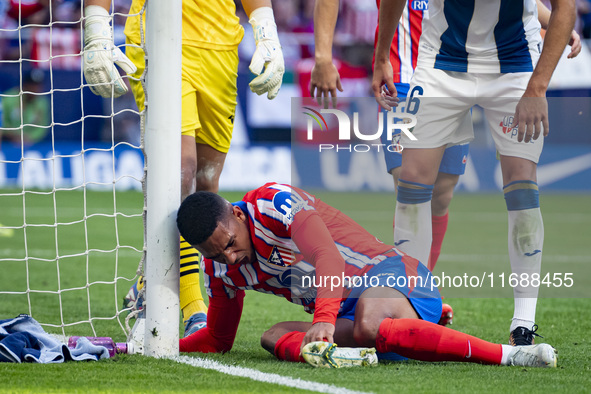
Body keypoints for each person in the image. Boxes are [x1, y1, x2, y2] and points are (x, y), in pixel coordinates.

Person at [309, 0, 581, 275]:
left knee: (443, 192)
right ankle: (413, 293)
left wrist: (553, 21)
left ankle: (426, 288)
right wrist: (323, 57)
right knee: (408, 177)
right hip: (402, 79)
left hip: (460, 70)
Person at [176, 182, 557, 368]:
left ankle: (513, 355)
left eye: (228, 243)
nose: (229, 257)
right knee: (272, 336)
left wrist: (323, 320)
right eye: (216, 254)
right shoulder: (220, 270)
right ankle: (369, 346)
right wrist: (159, 345)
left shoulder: (273, 203)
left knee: (369, 322)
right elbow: (218, 339)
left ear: (238, 216)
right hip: (347, 310)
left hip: (393, 271)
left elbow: (327, 255)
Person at [372, 0, 575, 345]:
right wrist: (380, 59)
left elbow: (564, 7)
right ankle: (414, 309)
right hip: (440, 62)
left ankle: (523, 325)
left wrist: (537, 88)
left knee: (522, 187)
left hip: (515, 65)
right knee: (412, 183)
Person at [82, 0, 284, 336]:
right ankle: (192, 306)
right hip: (161, 35)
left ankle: (150, 277)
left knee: (206, 187)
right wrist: (96, 27)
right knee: (180, 173)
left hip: (221, 45)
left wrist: (266, 30)